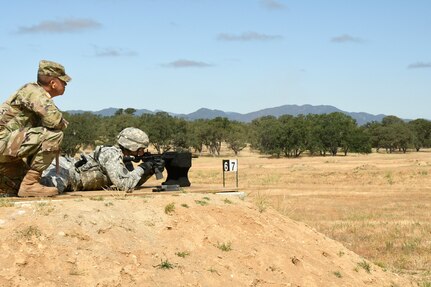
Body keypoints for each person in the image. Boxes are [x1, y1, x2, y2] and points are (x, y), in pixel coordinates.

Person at [0, 60, 71, 197]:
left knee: (17, 184)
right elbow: (55, 121)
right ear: (53, 83)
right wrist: (62, 122)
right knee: (53, 134)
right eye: (63, 81)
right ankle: (30, 185)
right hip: (3, 143)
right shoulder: (34, 92)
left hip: (5, 146)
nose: (65, 84)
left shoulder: (31, 92)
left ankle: (21, 185)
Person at [40, 127, 165, 193]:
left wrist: (149, 171)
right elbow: (124, 185)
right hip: (65, 172)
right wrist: (143, 168)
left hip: (70, 177)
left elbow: (131, 182)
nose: (142, 152)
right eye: (141, 148)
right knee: (44, 187)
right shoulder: (111, 154)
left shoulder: (121, 158)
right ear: (132, 146)